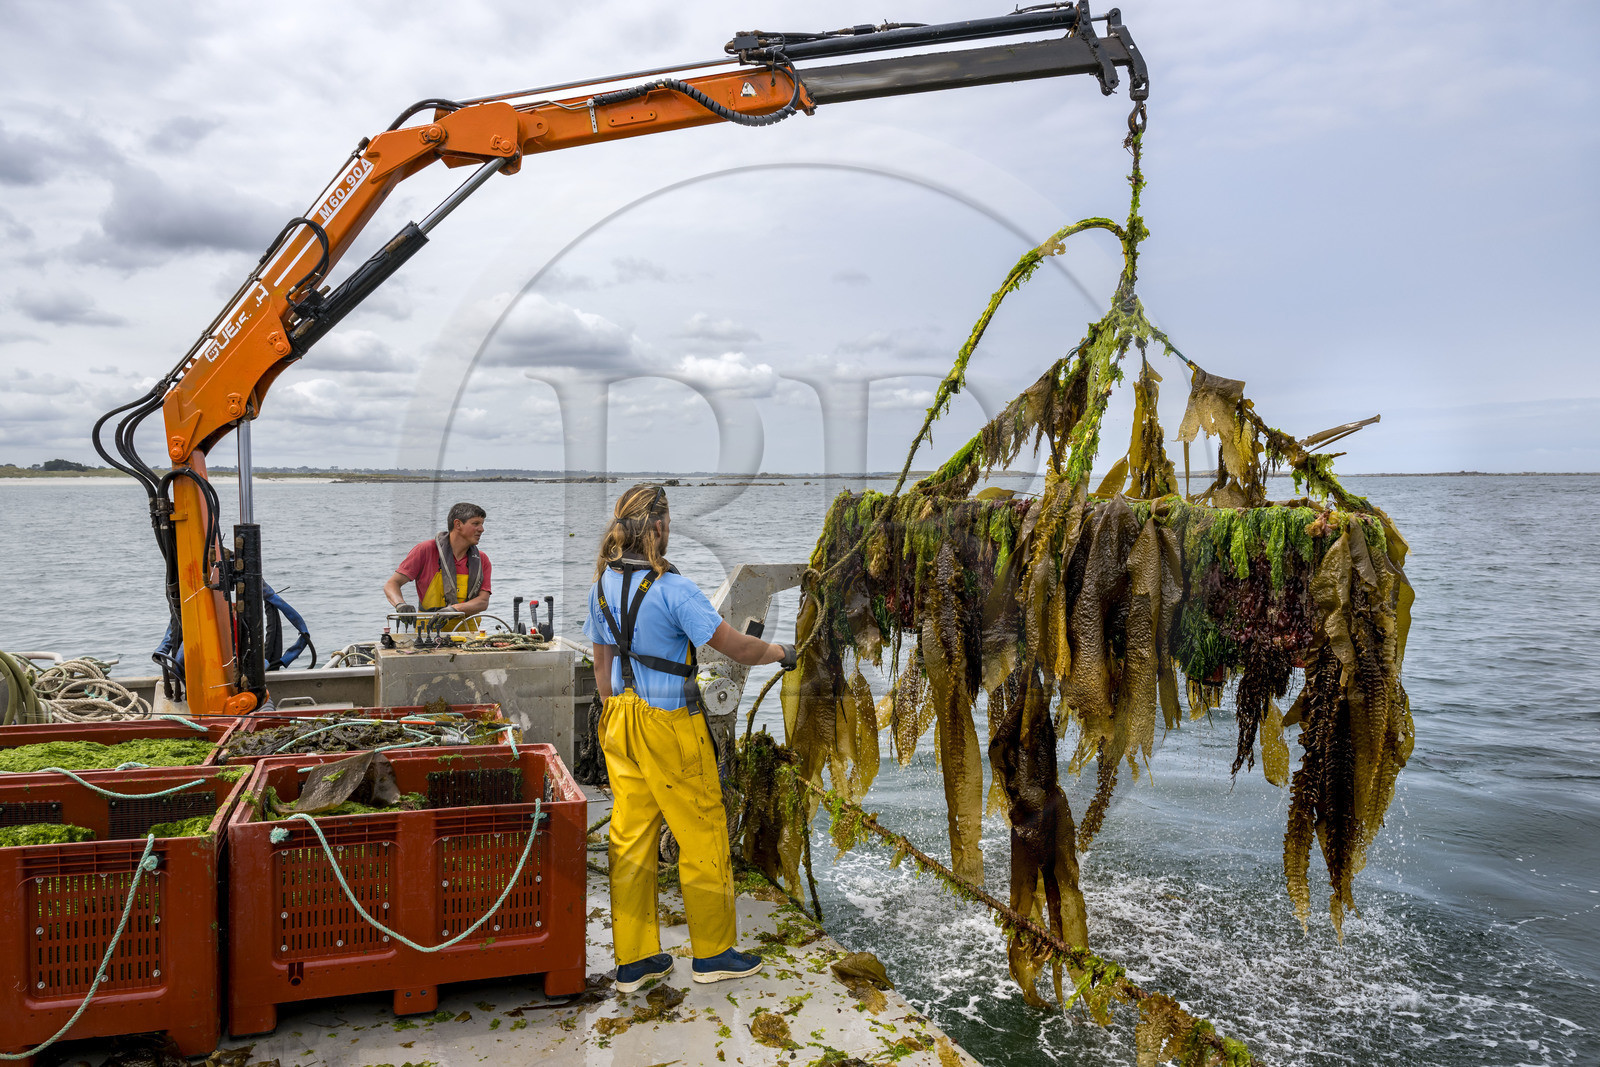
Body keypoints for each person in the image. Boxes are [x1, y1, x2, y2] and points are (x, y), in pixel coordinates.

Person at [584, 484, 796, 992]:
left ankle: (636, 962)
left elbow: (601, 666)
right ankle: (715, 953)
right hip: (669, 724)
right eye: (668, 519)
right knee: (703, 833)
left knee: (630, 839)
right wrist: (782, 652)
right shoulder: (675, 589)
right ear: (657, 526)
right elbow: (737, 648)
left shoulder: (602, 584)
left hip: (619, 719)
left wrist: (618, 709)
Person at [383, 502, 491, 632]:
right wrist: (400, 604)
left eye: (482, 524)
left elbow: (483, 602)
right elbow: (392, 584)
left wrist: (454, 609)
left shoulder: (481, 560)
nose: (481, 529)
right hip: (427, 635)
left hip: (468, 634)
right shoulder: (425, 550)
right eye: (475, 524)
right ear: (458, 524)